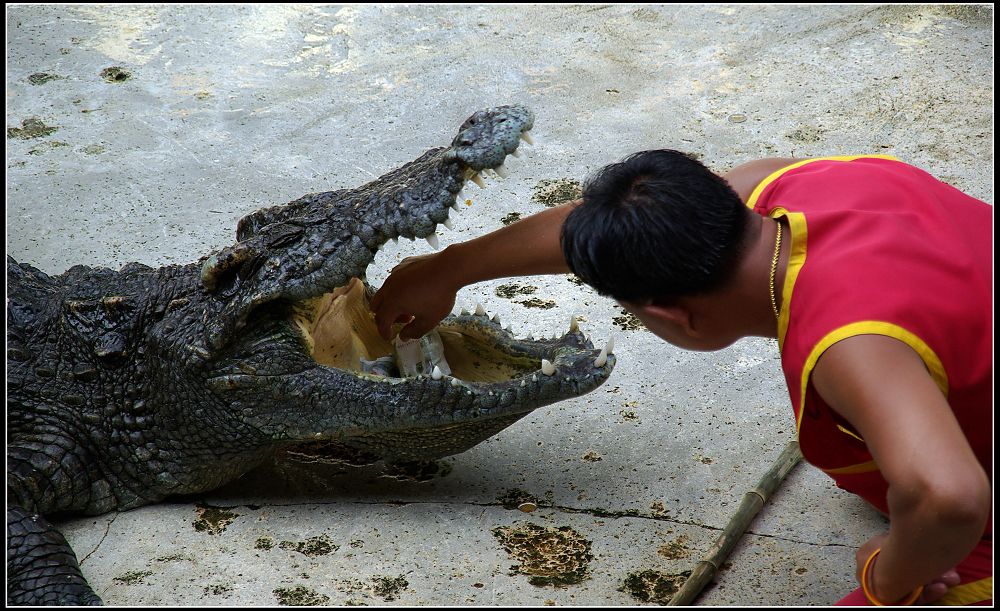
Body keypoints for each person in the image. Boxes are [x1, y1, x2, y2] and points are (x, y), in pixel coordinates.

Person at [370, 150, 992, 606]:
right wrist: (446, 269)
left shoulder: (850, 346)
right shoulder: (794, 185)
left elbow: (949, 498)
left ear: (673, 317)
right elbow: (608, 226)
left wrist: (888, 576)